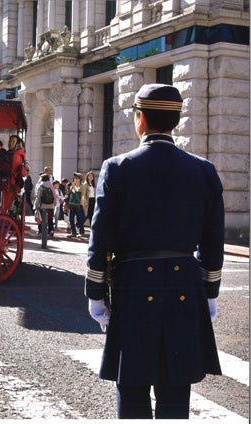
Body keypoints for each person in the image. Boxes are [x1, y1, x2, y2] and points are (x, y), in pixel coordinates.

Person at [84, 83, 224, 419]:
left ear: (140, 119)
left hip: (133, 285)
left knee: (131, 387)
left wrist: (96, 291)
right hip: (185, 285)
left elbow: (100, 236)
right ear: (175, 121)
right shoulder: (203, 169)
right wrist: (210, 291)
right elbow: (213, 240)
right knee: (176, 388)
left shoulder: (117, 167)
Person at [66, 172, 87, 238]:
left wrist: (74, 188)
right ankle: (73, 232)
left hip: (79, 204)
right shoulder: (73, 185)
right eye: (75, 178)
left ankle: (81, 232)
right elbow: (70, 194)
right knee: (71, 218)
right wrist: (69, 189)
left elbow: (81, 195)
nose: (75, 179)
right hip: (72, 204)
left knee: (80, 219)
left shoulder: (82, 186)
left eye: (77, 178)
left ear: (80, 179)